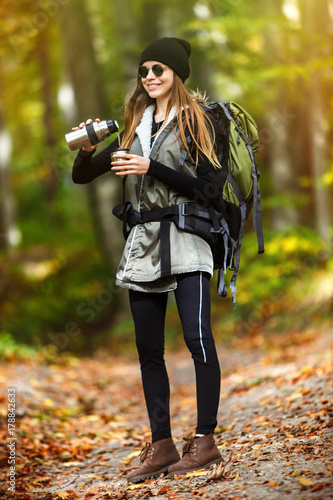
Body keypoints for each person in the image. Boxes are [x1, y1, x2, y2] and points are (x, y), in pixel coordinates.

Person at [72, 37, 223, 483]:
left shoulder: (197, 121)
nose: (150, 77)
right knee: (148, 351)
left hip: (187, 239)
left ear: (176, 73)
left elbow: (211, 187)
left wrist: (150, 168)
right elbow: (83, 176)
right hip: (143, 247)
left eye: (159, 69)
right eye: (144, 70)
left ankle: (206, 441)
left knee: (198, 340)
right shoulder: (133, 124)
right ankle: (162, 446)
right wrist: (86, 144)